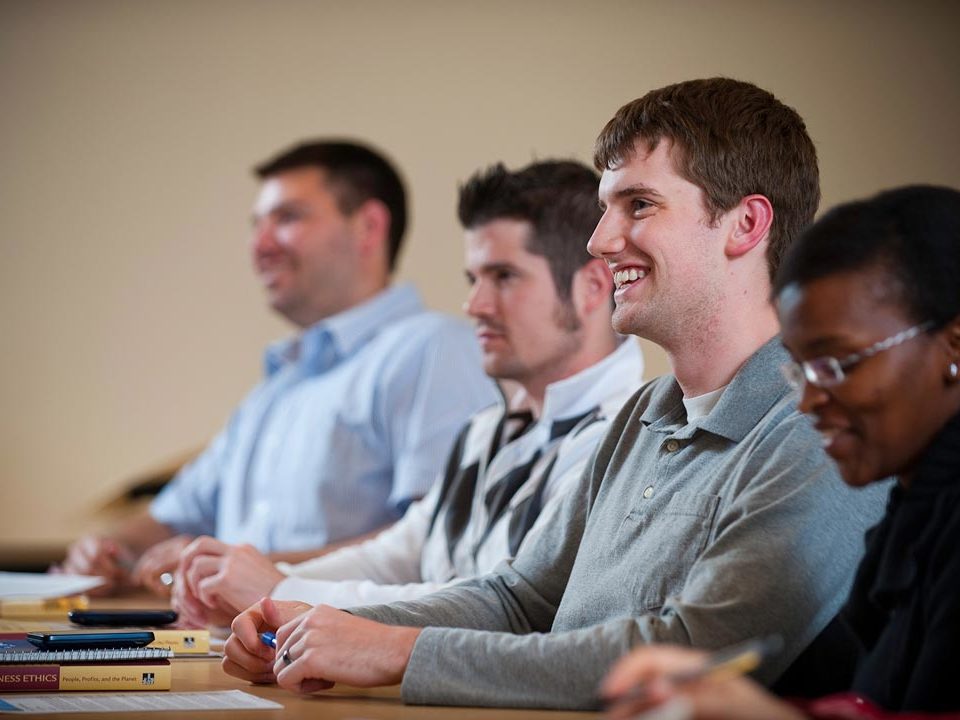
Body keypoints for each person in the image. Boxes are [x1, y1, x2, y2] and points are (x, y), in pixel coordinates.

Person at [221, 78, 889, 710]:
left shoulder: (818, 426)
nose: (600, 242)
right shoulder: (643, 415)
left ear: (745, 225)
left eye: (640, 205)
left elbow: (694, 655)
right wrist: (319, 627)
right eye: (606, 209)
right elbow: (519, 599)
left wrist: (399, 649)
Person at [169, 160, 644, 627]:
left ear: (591, 287)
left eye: (504, 277)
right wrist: (251, 590)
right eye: (472, 279)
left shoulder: (624, 443)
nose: (473, 305)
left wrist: (282, 593)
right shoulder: (487, 430)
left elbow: (503, 605)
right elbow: (401, 552)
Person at [57, 140, 498, 595]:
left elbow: (439, 544)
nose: (259, 245)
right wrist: (107, 549)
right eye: (256, 225)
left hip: (337, 654)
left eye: (287, 218)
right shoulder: (275, 391)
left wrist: (252, 571)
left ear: (368, 227)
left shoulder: (431, 350)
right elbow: (167, 518)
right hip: (231, 647)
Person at [602, 185, 960, 718]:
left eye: (837, 364)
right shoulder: (912, 514)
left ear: (952, 347)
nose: (810, 399)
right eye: (800, 368)